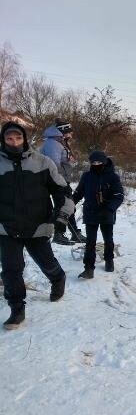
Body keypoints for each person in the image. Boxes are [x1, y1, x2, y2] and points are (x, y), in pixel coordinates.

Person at [0, 122, 73, 330]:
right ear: (3, 140)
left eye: (18, 138)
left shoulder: (43, 162)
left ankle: (58, 278)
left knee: (46, 263)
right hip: (6, 228)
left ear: (24, 139)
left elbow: (62, 192)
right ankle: (16, 309)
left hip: (37, 226)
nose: (14, 142)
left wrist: (62, 216)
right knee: (11, 270)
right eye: (9, 139)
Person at [72, 151, 125, 279]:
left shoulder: (113, 177)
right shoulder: (86, 176)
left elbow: (119, 196)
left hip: (107, 213)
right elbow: (79, 193)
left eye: (99, 162)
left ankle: (109, 260)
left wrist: (110, 208)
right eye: (93, 162)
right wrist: (70, 204)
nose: (96, 164)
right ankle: (88, 269)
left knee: (108, 239)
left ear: (104, 162)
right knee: (90, 242)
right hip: (90, 212)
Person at [40, 119, 85, 245]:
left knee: (68, 206)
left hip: (61, 180)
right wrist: (61, 180)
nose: (71, 135)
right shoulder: (52, 143)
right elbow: (53, 165)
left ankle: (74, 233)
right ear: (63, 131)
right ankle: (58, 234)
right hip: (57, 181)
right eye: (69, 132)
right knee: (65, 206)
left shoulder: (58, 142)